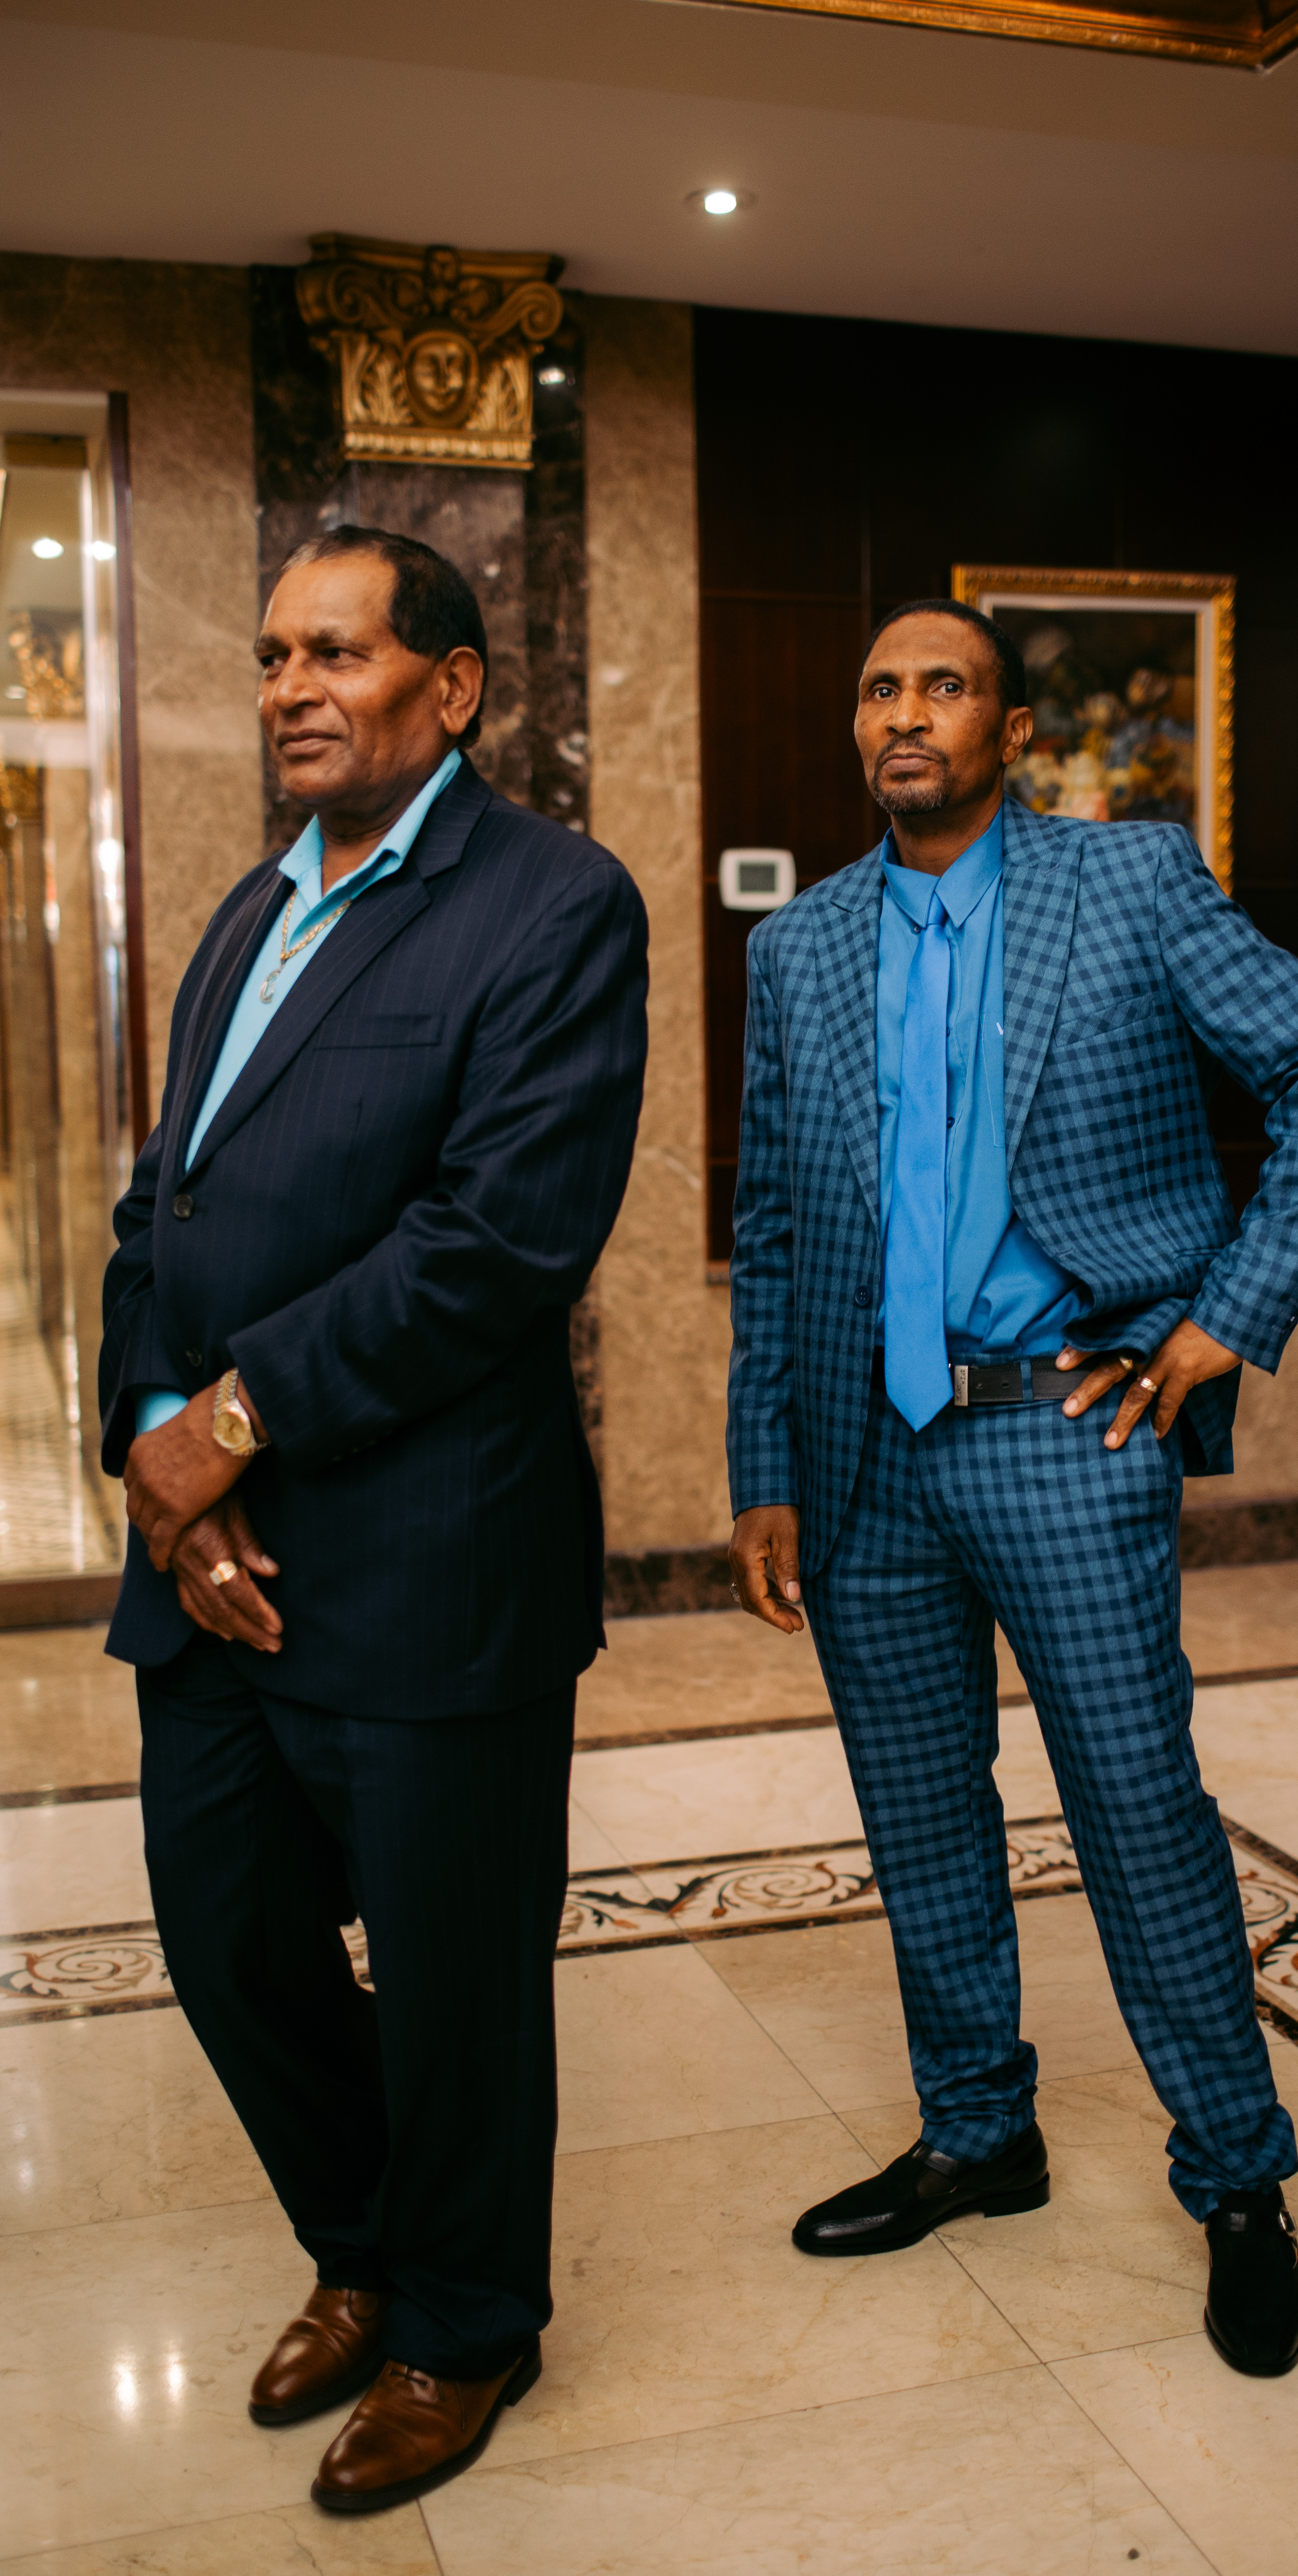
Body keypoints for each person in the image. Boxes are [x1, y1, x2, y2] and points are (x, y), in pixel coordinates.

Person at [725, 597, 1298, 2378]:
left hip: (1063, 1430)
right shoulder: (800, 947)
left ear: (1008, 731)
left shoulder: (1129, 884)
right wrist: (764, 1462)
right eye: (878, 687)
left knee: (1134, 1808)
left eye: (942, 685)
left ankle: (1236, 2180)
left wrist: (1224, 1321)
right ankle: (976, 2133)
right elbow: (772, 1223)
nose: (904, 713)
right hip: (862, 1454)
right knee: (918, 1809)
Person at [99, 525, 647, 2510]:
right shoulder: (249, 913)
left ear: (454, 685)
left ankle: (464, 2321)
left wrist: (230, 1423)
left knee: (454, 1974)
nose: (290, 689)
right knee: (226, 1931)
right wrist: (159, 1444)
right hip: (215, 1562)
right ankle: (362, 2245)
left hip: (432, 1556)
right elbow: (159, 1210)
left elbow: (497, 1242)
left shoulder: (555, 904)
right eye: (271, 656)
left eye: (333, 652)